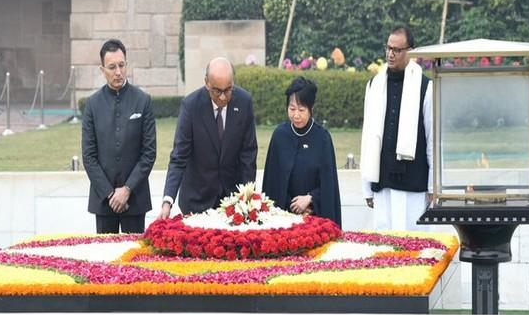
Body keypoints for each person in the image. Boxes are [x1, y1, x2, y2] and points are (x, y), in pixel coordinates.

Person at [158, 57, 257, 219]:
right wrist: (167, 201)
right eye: (217, 91)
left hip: (233, 202)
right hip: (196, 201)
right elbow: (179, 157)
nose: (223, 97)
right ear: (206, 83)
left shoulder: (244, 102)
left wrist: (247, 198)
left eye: (228, 89)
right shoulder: (191, 106)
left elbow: (248, 154)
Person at [360, 25, 433, 231]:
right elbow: (368, 136)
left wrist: (432, 187)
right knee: (386, 249)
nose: (391, 54)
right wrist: (367, 187)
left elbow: (432, 139)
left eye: (397, 50)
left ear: (411, 51)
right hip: (382, 180)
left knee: (416, 246)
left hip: (414, 182)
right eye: (388, 48)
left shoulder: (425, 87)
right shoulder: (374, 85)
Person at [82, 39, 156, 233]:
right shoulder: (92, 105)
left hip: (135, 198)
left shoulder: (143, 101)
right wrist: (110, 193)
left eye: (121, 65)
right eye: (112, 67)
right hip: (103, 201)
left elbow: (149, 153)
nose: (118, 72)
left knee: (135, 260)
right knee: (105, 261)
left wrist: (127, 189)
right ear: (102, 69)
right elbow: (89, 157)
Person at [263, 76, 341, 227]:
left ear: (311, 109)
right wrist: (291, 207)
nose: (296, 115)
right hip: (284, 218)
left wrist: (310, 199)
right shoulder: (280, 135)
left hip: (315, 217)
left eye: (301, 109)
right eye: (292, 109)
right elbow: (272, 183)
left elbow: (328, 184)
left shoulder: (322, 138)